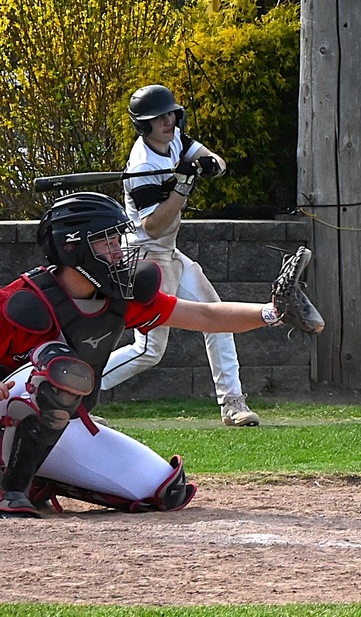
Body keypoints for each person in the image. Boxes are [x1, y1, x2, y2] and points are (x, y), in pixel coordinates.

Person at [0, 192, 322, 517]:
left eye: (117, 238)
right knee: (60, 370)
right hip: (9, 414)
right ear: (72, 248)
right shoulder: (22, 301)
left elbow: (206, 315)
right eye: (104, 241)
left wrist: (272, 312)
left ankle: (38, 478)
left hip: (58, 422)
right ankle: (8, 491)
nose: (117, 250)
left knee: (163, 489)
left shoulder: (118, 296)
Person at [99, 85, 260, 427]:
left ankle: (232, 403)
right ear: (145, 125)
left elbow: (217, 160)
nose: (168, 121)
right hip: (144, 256)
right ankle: (75, 391)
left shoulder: (176, 140)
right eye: (160, 117)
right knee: (149, 351)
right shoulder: (141, 164)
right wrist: (182, 188)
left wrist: (209, 166)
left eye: (171, 113)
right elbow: (154, 225)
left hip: (170, 252)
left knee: (218, 317)